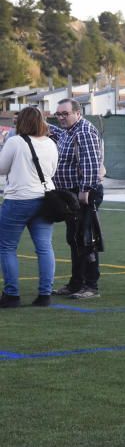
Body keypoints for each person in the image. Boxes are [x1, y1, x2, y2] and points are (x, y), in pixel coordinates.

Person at [0, 107, 57, 308]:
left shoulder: (15, 141)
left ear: (21, 122)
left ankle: (12, 295)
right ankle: (45, 294)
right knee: (44, 247)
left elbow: (1, 168)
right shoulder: (50, 142)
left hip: (19, 199)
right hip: (45, 198)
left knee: (7, 247)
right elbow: (52, 170)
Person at [49, 98, 104, 300]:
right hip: (71, 193)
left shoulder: (83, 131)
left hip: (82, 193)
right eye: (59, 114)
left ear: (77, 113)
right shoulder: (71, 131)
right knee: (75, 239)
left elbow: (90, 164)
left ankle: (91, 286)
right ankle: (76, 283)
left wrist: (85, 190)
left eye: (65, 113)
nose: (61, 117)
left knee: (86, 239)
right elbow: (58, 133)